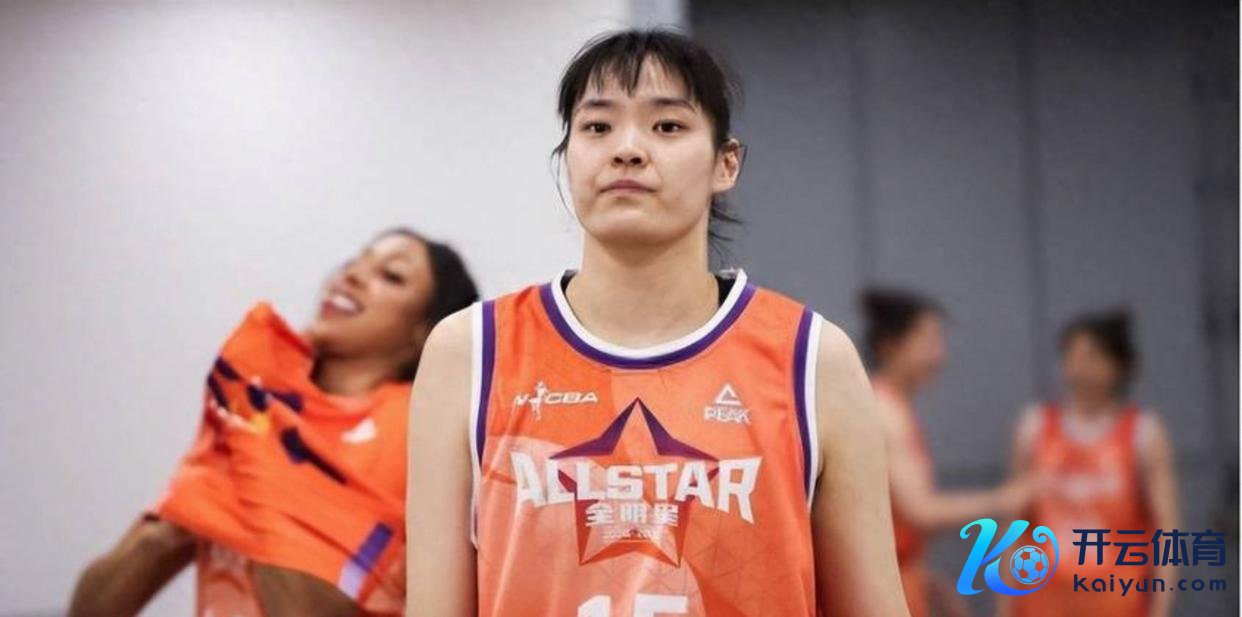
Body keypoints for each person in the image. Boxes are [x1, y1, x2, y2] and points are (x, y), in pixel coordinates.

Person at [407, 30, 908, 616]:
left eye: (667, 126)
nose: (627, 149)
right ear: (567, 158)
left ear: (726, 163)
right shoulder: (471, 351)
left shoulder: (812, 358)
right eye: (597, 126)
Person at [69, 228, 478, 617]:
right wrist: (175, 524)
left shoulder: (412, 425)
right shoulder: (256, 407)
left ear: (424, 332)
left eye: (391, 276)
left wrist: (257, 460)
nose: (352, 275)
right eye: (355, 262)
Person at [861, 288, 1030, 617]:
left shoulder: (891, 406)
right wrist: (1004, 499)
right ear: (890, 345)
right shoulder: (884, 411)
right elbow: (920, 511)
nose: (940, 355)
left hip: (896, 579)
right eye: (928, 342)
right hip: (882, 589)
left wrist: (927, 581)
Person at [1005, 310, 1178, 617]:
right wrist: (1004, 604)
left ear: (1120, 366)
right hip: (1044, 602)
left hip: (1118, 602)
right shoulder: (1034, 427)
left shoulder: (1143, 432)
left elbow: (1167, 528)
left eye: (1091, 357)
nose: (1079, 367)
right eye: (1071, 356)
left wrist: (1160, 608)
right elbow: (1014, 523)